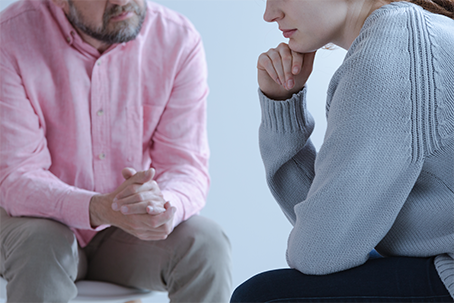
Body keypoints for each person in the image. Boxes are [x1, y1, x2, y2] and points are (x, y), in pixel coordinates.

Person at [0, 0, 232, 302]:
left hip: (124, 234)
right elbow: (16, 177)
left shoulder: (178, 41)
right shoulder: (10, 36)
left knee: (206, 244)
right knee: (42, 245)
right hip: (32, 222)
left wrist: (160, 206)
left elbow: (185, 166)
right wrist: (97, 208)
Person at [231, 0, 454, 302]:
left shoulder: (391, 51)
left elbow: (318, 252)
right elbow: (332, 230)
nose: (270, 14)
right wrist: (282, 104)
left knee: (261, 297)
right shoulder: (409, 34)